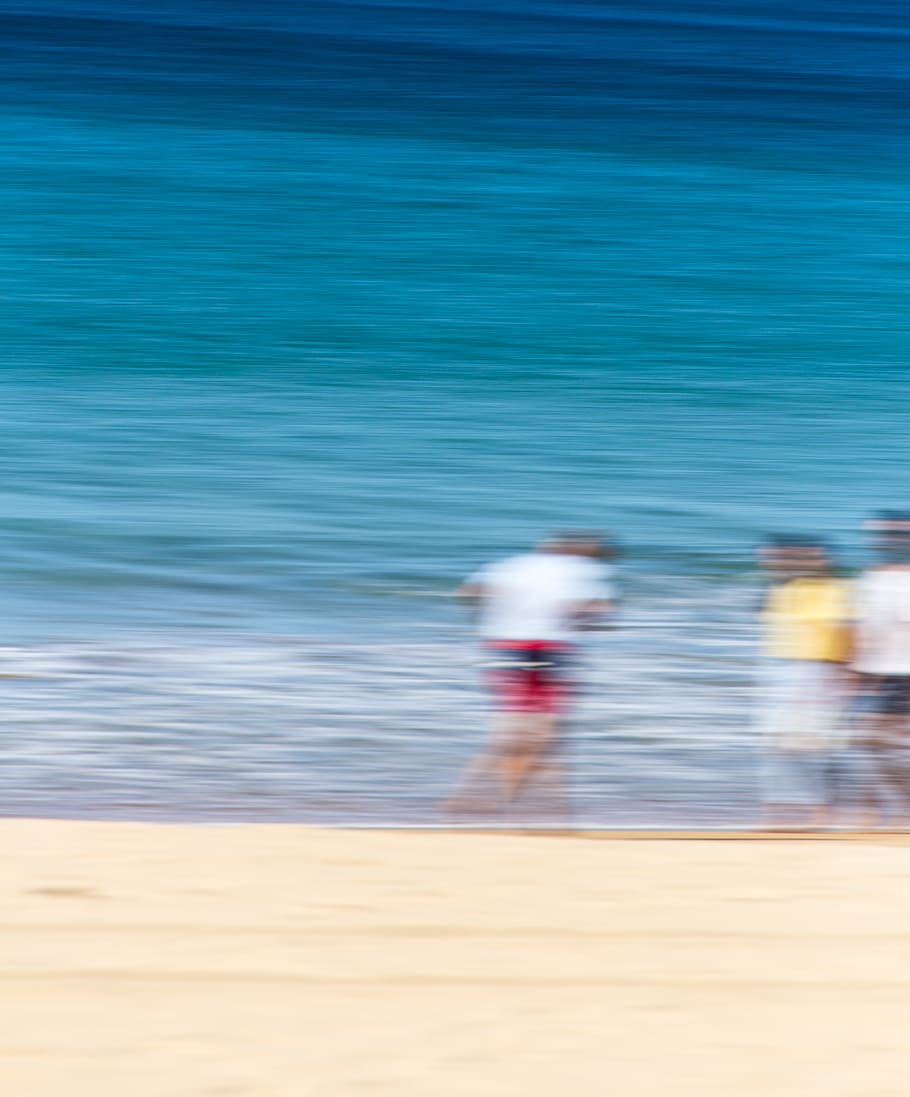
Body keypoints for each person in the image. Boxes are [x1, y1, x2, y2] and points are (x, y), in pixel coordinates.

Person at [446, 531, 616, 817]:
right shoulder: (582, 569)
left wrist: (488, 618)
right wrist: (585, 624)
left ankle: (469, 799)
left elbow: (469, 592)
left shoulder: (511, 564)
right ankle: (529, 808)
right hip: (545, 649)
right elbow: (593, 608)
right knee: (544, 732)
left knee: (511, 728)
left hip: (501, 647)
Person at [756, 536, 852, 829]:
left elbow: (847, 633)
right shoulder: (784, 590)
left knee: (815, 746)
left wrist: (847, 673)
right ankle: (773, 814)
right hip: (783, 670)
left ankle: (820, 814)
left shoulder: (837, 590)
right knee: (775, 744)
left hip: (819, 670)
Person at [849, 512, 910, 826]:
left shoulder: (883, 579)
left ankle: (886, 811)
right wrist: (855, 670)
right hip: (879, 673)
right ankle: (878, 810)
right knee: (872, 742)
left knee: (877, 741)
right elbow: (863, 628)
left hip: (899, 674)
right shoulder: (873, 578)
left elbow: (867, 629)